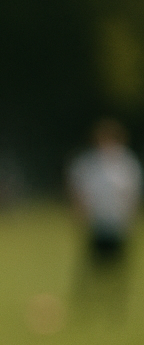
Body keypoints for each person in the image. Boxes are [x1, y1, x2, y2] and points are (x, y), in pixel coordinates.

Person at [67, 117, 141, 320]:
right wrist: (81, 216)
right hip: (96, 222)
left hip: (117, 223)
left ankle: (115, 305)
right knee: (92, 266)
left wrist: (130, 219)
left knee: (117, 268)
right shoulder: (88, 164)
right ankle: (86, 305)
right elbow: (79, 192)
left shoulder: (126, 165)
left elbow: (132, 194)